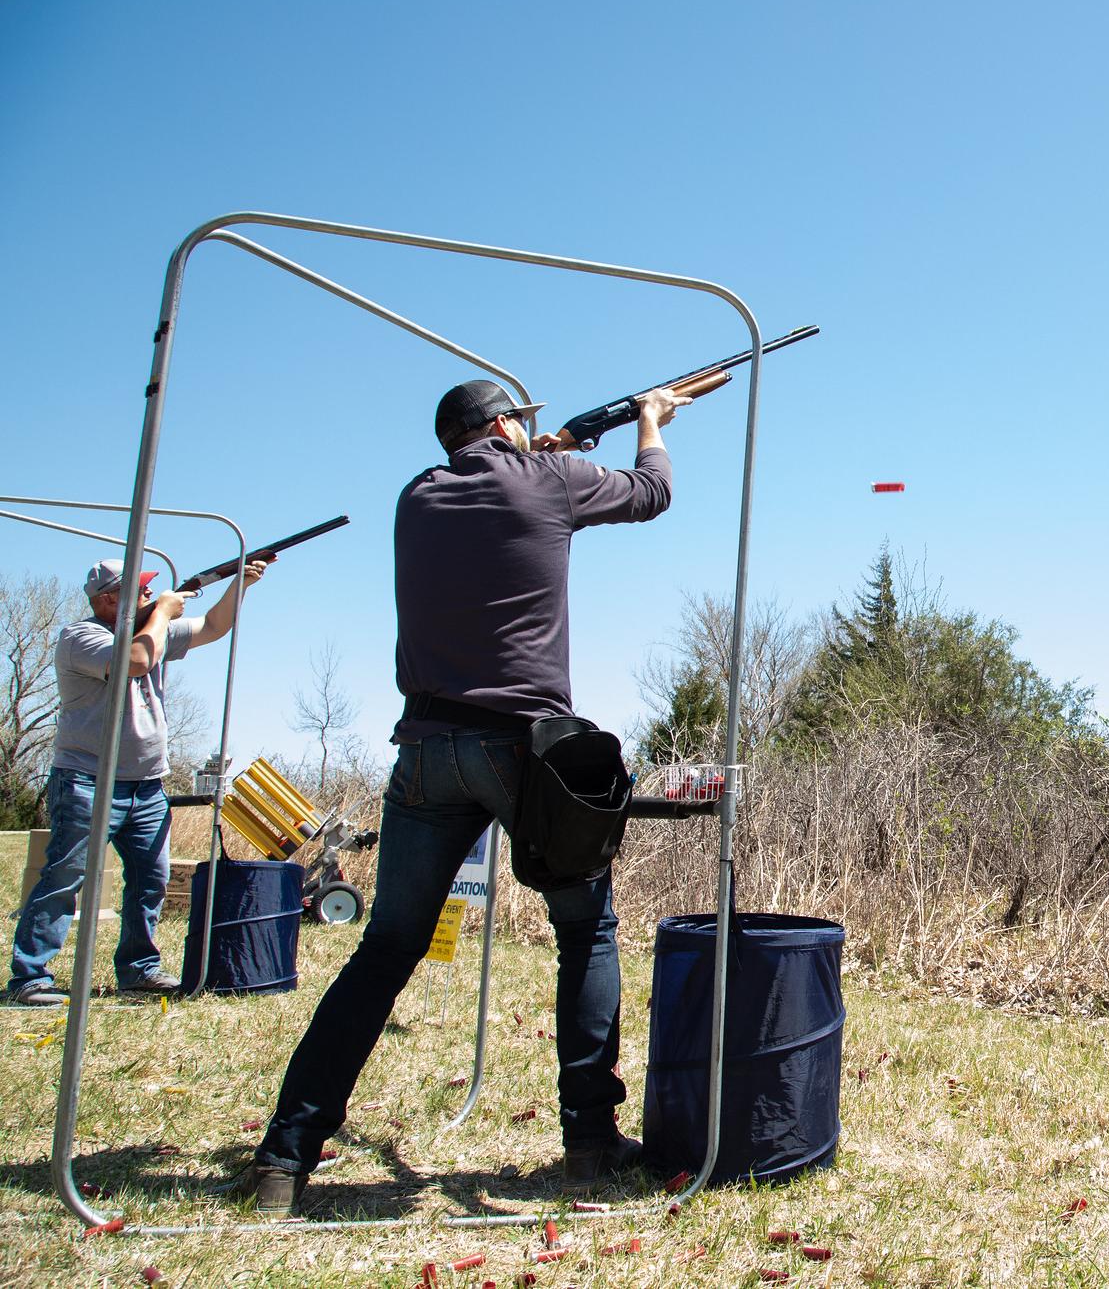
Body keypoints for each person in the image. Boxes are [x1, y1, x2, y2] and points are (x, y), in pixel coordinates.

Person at [249, 378, 684, 1216]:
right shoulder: (549, 482)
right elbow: (654, 492)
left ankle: (284, 1157)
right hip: (525, 751)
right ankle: (590, 1143)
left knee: (385, 952)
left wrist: (541, 449)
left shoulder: (418, 495)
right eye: (518, 419)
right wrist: (653, 423)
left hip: (424, 750)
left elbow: (498, 488)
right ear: (500, 424)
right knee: (586, 931)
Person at [7, 556, 267, 1006]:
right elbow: (138, 661)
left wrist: (240, 583)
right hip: (88, 780)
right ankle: (30, 977)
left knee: (151, 880)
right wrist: (164, 612)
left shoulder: (154, 630)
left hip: (148, 785)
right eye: (141, 590)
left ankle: (139, 970)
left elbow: (211, 627)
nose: (151, 594)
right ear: (109, 600)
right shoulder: (81, 636)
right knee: (66, 878)